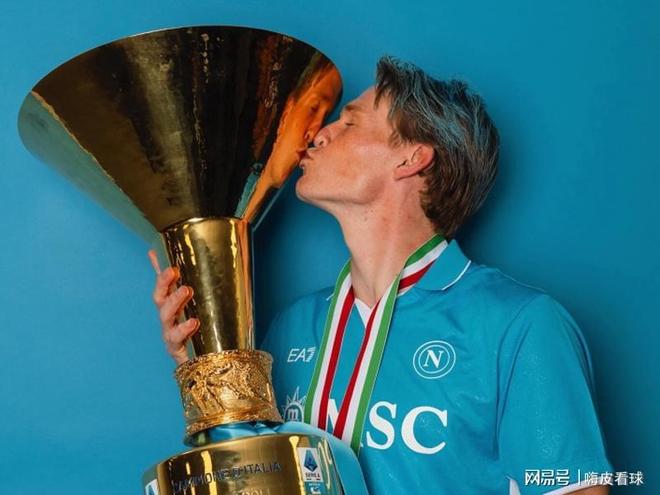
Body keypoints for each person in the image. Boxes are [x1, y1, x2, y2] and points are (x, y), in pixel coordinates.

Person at [150, 56, 613, 494]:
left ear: (412, 157)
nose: (318, 135)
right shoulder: (292, 325)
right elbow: (247, 477)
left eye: (349, 122)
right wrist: (206, 363)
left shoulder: (519, 325)